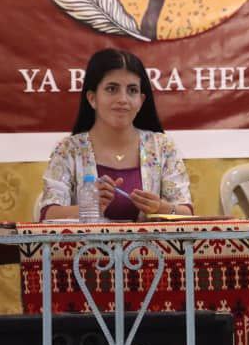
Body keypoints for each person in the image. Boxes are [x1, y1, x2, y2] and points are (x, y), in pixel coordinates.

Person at [39, 49, 193, 221]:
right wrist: (87, 207)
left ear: (141, 101)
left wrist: (161, 208)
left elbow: (186, 213)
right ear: (92, 98)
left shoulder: (163, 147)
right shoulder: (68, 150)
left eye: (132, 90)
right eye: (112, 89)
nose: (123, 99)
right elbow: (47, 214)